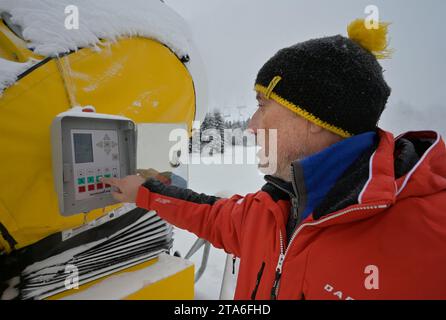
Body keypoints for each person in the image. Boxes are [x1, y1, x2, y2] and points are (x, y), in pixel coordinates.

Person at [102, 19, 446, 300]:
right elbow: (212, 215)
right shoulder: (275, 207)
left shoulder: (431, 236)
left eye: (262, 104)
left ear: (312, 118)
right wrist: (144, 191)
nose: (251, 126)